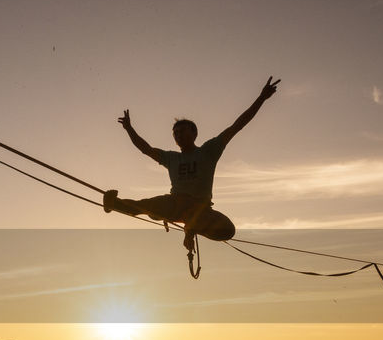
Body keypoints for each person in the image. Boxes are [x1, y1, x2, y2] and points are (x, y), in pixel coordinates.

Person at [104, 76, 280, 248]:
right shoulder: (171, 158)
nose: (178, 135)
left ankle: (191, 226)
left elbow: (237, 126)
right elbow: (146, 149)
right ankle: (114, 204)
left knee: (228, 230)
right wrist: (129, 129)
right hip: (173, 204)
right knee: (144, 205)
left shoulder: (209, 151)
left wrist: (261, 98)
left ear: (195, 133)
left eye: (182, 131)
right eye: (176, 133)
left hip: (200, 209)